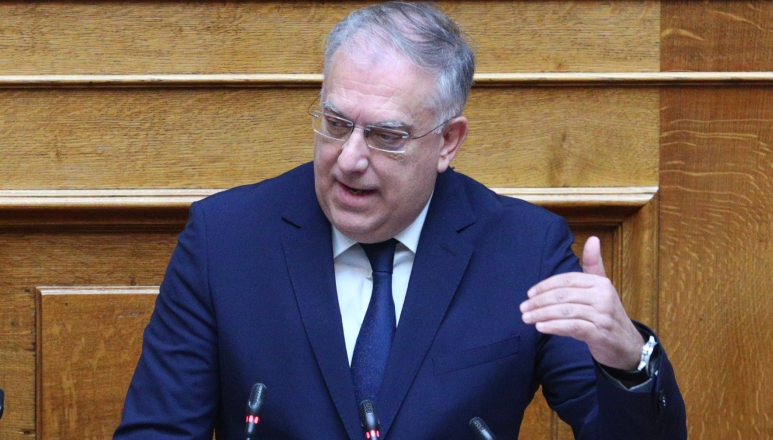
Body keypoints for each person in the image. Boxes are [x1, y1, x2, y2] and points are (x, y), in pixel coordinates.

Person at [114, 3, 686, 439]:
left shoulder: (522, 250)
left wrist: (627, 361)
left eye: (386, 136)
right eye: (336, 124)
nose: (349, 158)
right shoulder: (225, 240)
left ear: (447, 142)